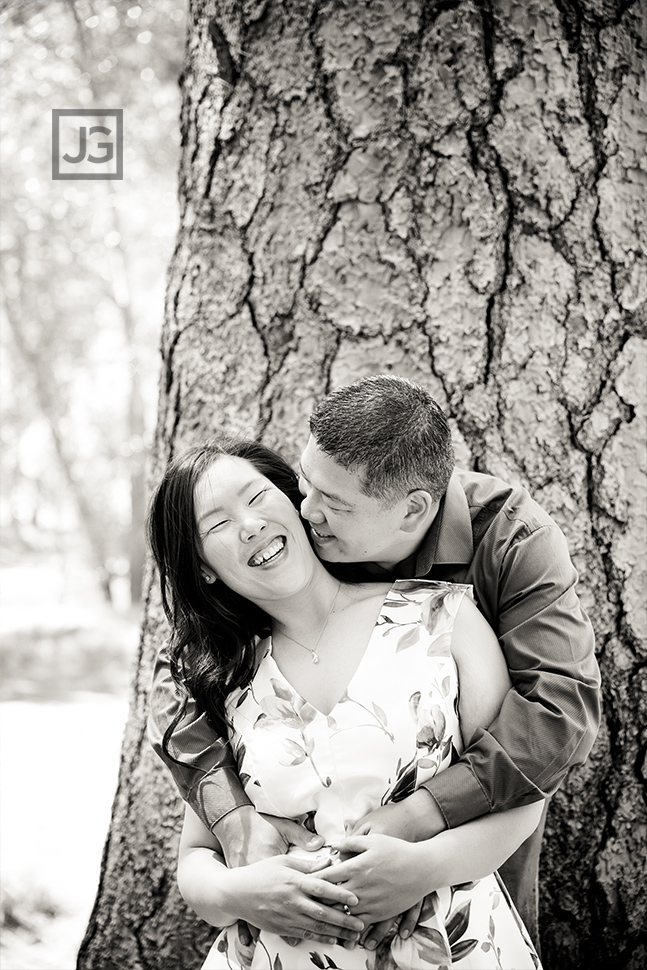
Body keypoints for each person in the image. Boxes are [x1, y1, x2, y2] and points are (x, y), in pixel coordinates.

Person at [148, 375, 600, 950]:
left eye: (329, 505)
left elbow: (556, 720)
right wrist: (238, 830)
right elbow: (177, 681)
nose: (305, 511)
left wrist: (419, 846)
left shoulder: (486, 571)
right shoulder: (242, 654)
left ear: (411, 514)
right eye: (304, 486)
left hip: (455, 911)